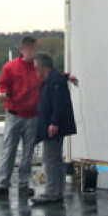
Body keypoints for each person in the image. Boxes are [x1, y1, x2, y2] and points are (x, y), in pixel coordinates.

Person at [0, 36, 40, 199]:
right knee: (9, 149)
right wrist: (3, 95)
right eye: (29, 49)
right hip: (14, 114)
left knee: (28, 152)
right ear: (22, 49)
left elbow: (50, 76)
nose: (32, 52)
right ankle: (3, 183)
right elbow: (3, 85)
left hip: (32, 115)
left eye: (34, 49)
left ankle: (24, 184)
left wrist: (66, 77)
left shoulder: (38, 68)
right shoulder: (10, 68)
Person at [31, 52, 77, 205]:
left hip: (53, 127)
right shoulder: (54, 78)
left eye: (36, 67)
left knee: (50, 159)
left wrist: (54, 123)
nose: (35, 70)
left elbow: (59, 103)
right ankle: (57, 190)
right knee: (55, 159)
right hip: (52, 125)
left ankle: (52, 191)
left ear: (43, 66)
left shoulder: (54, 80)